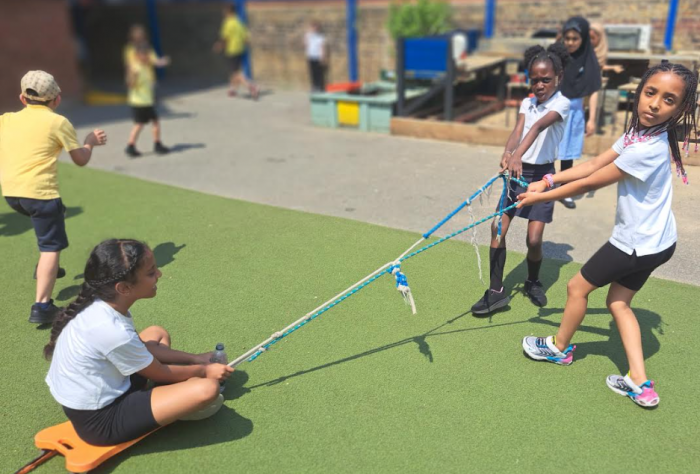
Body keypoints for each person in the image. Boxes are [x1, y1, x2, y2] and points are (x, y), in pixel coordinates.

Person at [518, 63, 697, 408]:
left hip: (635, 244)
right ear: (639, 92)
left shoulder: (647, 148)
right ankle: (639, 383)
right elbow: (594, 163)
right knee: (617, 302)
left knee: (576, 288)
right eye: (650, 93)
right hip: (660, 242)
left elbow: (589, 183)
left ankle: (559, 348)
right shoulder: (637, 135)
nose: (655, 104)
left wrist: (537, 196)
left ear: (681, 109)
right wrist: (548, 180)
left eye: (669, 99)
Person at [45, 239, 234, 446]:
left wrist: (195, 358)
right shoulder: (111, 329)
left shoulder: (103, 304)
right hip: (100, 419)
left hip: (115, 383)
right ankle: (173, 402)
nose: (159, 274)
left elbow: (141, 348)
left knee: (156, 333)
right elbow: (159, 371)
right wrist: (204, 371)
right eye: (151, 273)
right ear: (124, 288)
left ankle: (166, 395)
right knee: (207, 389)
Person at [470, 44, 571, 315]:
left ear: (559, 76)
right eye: (534, 79)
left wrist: (517, 155)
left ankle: (532, 281)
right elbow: (519, 130)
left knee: (534, 240)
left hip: (543, 177)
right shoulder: (527, 102)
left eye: (545, 79)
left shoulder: (562, 103)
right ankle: (496, 292)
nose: (539, 85)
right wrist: (508, 152)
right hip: (517, 175)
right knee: (497, 228)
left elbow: (538, 127)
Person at [0, 71, 107, 324]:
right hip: (40, 194)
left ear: (22, 98)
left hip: (12, 194)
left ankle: (47, 269)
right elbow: (80, 159)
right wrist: (90, 142)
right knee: (51, 247)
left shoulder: (6, 119)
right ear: (57, 99)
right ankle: (42, 306)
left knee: (56, 214)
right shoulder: (58, 122)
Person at [558, 17, 602, 210]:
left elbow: (593, 91)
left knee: (567, 153)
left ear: (583, 39)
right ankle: (541, 185)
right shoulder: (557, 56)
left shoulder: (588, 60)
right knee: (548, 149)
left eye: (575, 39)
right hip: (553, 108)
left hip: (575, 111)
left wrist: (591, 119)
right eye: (567, 38)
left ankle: (564, 190)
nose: (570, 42)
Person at [125, 44, 170, 158]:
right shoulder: (136, 68)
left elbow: (156, 64)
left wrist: (162, 62)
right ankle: (131, 146)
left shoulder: (146, 66)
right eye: (143, 55)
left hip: (147, 100)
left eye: (147, 54)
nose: (146, 57)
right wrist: (132, 77)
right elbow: (130, 84)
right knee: (140, 124)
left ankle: (156, 144)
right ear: (137, 55)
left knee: (153, 122)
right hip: (140, 102)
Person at [213, 4, 259, 99]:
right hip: (240, 50)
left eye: (224, 11)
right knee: (234, 71)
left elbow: (225, 38)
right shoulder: (239, 22)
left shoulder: (227, 23)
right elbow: (246, 38)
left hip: (232, 50)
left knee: (236, 73)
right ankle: (232, 90)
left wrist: (219, 46)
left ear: (228, 12)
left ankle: (251, 86)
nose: (223, 13)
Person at [304, 21, 327, 92]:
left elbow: (322, 47)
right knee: (312, 73)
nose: (315, 29)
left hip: (318, 57)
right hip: (311, 56)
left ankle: (320, 87)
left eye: (316, 27)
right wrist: (308, 35)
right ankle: (314, 86)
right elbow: (305, 45)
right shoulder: (308, 35)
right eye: (313, 27)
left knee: (319, 73)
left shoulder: (321, 37)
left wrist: (322, 57)